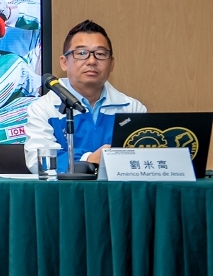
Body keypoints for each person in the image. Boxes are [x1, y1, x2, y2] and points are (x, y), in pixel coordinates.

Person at [24, 20, 145, 174]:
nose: (92, 61)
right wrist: (88, 159)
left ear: (112, 63)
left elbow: (142, 160)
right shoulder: (43, 109)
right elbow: (40, 161)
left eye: (100, 54)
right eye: (81, 53)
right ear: (64, 62)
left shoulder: (132, 109)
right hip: (64, 190)